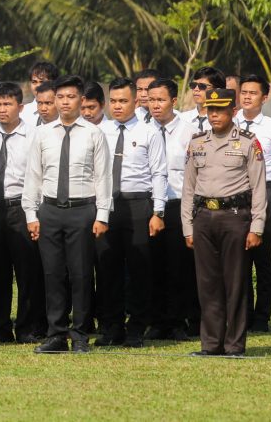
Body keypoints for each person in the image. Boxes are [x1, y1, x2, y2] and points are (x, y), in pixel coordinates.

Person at [23, 75, 112, 354]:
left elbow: (103, 177)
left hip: (82, 210)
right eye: (60, 97)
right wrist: (31, 214)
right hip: (49, 210)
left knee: (81, 274)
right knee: (52, 275)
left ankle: (81, 334)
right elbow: (33, 176)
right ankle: (56, 334)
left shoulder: (93, 134)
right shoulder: (43, 133)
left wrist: (102, 215)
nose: (64, 102)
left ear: (81, 100)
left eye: (70, 97)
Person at [182, 88, 267, 357]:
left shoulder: (247, 142)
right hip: (204, 218)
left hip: (234, 218)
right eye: (211, 110)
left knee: (236, 282)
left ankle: (234, 345)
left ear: (233, 111)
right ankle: (211, 344)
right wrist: (187, 226)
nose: (215, 115)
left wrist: (257, 226)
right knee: (207, 284)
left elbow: (259, 188)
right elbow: (188, 188)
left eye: (220, 109)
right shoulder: (197, 143)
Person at [94, 77, 166, 347]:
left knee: (139, 268)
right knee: (107, 267)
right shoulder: (100, 131)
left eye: (123, 101)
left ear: (136, 101)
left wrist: (158, 211)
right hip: (108, 206)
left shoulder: (149, 132)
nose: (117, 106)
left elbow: (159, 172)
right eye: (113, 101)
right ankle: (111, 327)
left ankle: (136, 327)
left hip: (138, 205)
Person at [0, 81, 47, 344]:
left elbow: (39, 176)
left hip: (21, 207)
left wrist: (33, 213)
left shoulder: (34, 136)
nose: (2, 110)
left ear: (20, 106)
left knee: (27, 271)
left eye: (8, 104)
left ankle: (26, 327)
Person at [147, 77, 199, 341]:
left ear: (173, 101)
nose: (155, 105)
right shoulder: (142, 130)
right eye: (151, 100)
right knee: (152, 265)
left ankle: (179, 321)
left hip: (179, 204)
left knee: (179, 266)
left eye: (161, 100)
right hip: (150, 206)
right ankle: (157, 321)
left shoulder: (189, 132)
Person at [234, 75, 271, 333]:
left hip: (268, 191)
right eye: (244, 92)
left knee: (262, 257)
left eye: (253, 93)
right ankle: (243, 315)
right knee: (240, 256)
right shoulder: (230, 122)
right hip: (237, 192)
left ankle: (261, 317)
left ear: (265, 97)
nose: (247, 96)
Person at [179, 66, 227, 133]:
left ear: (217, 90)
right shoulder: (182, 119)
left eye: (202, 86)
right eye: (193, 85)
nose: (196, 89)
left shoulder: (226, 120)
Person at [21, 61, 60, 125]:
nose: (38, 86)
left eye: (42, 82)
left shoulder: (63, 111)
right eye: (34, 82)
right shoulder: (22, 113)